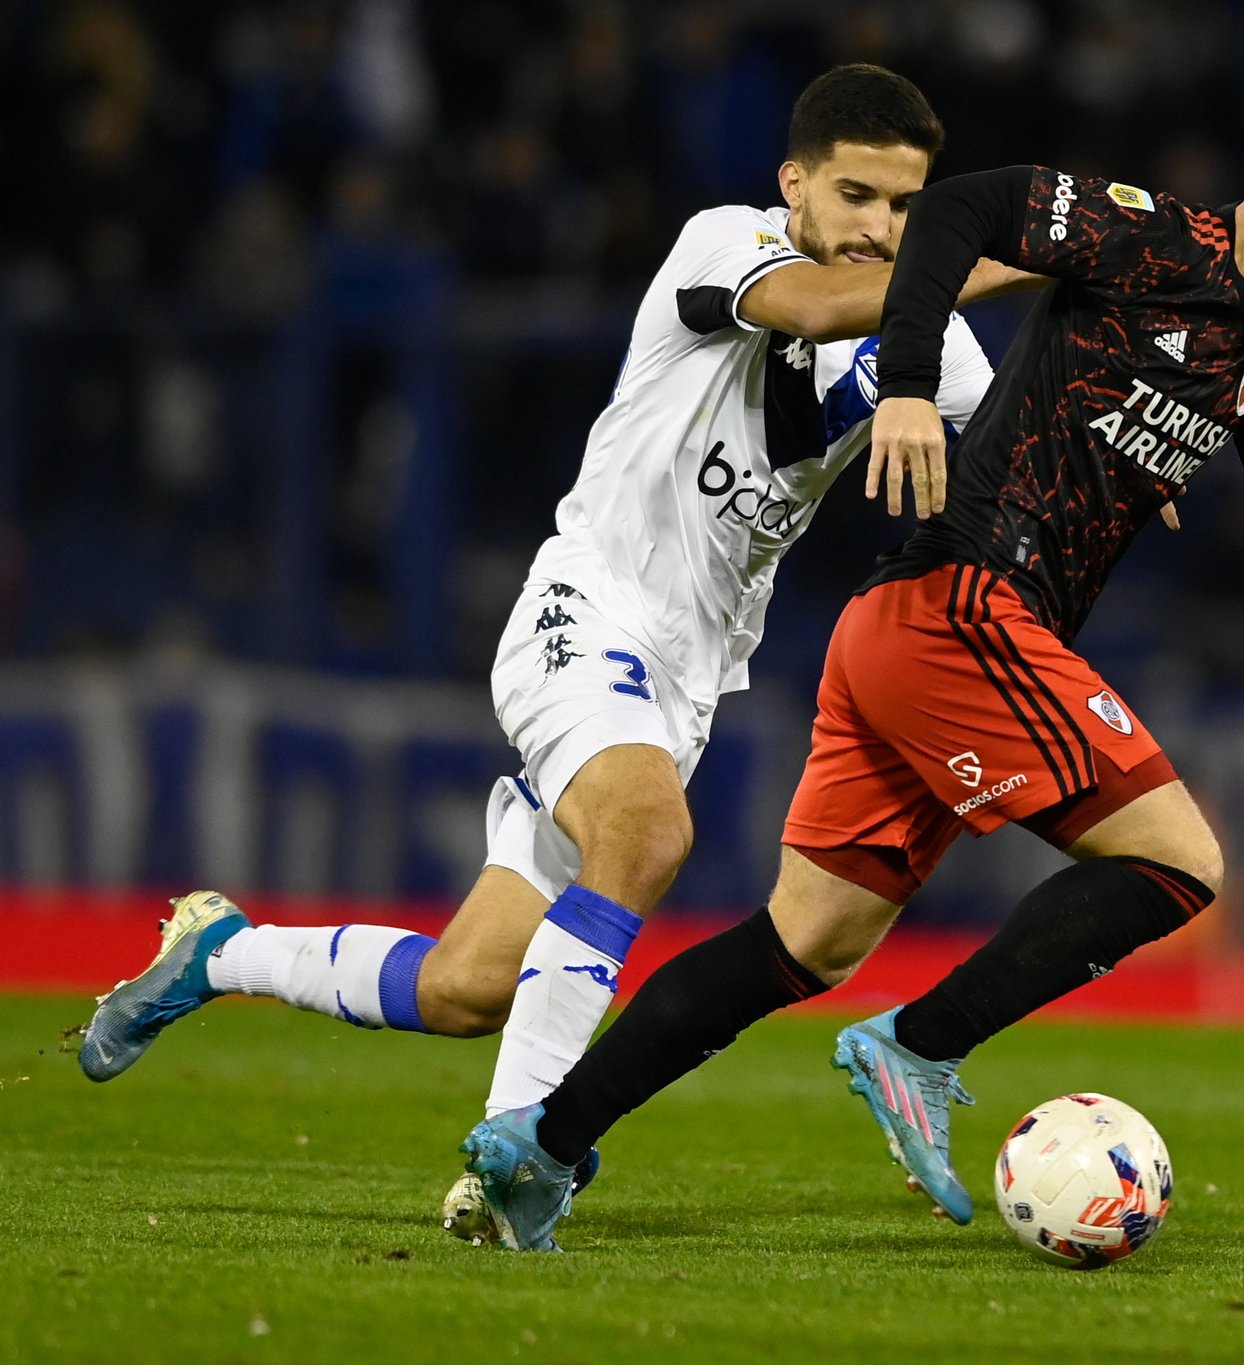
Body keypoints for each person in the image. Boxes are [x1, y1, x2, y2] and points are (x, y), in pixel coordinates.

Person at [459, 95, 1244, 1251]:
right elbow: (964, 208)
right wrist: (906, 382)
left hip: (907, 632)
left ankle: (537, 1150)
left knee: (807, 941)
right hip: (964, 606)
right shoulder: (1153, 240)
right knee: (1178, 862)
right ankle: (921, 1043)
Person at [75, 64, 1040, 1238]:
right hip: (586, 616)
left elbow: (1010, 459)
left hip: (680, 687)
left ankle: (217, 954)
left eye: (907, 207)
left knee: (466, 985)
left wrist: (1105, 462)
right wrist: (1050, 247)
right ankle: (515, 1160)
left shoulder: (924, 331)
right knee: (647, 837)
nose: (880, 230)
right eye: (857, 197)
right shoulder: (723, 245)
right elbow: (832, 309)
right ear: (794, 185)